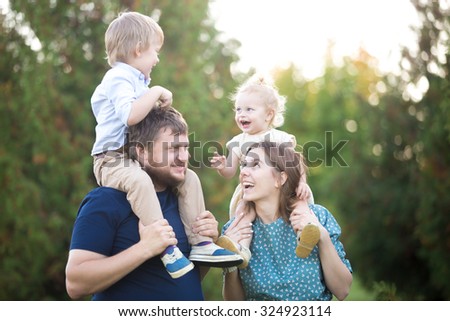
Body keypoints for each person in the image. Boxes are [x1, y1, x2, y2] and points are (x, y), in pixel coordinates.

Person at [90, 11, 238, 279]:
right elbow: (130, 116)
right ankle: (166, 247)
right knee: (140, 182)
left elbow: (145, 124)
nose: (157, 58)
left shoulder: (135, 81)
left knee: (189, 178)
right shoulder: (118, 78)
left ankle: (201, 243)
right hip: (110, 159)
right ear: (137, 50)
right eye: (154, 52)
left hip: (132, 157)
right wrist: (156, 91)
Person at [66, 106, 243, 300]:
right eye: (173, 149)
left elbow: (187, 278)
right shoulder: (106, 200)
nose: (184, 157)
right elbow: (76, 284)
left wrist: (208, 242)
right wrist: (145, 249)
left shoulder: (183, 202)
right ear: (141, 151)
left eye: (185, 147)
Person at [221, 141, 353, 301]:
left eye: (255, 165)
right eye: (243, 165)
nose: (243, 172)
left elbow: (343, 290)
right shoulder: (235, 229)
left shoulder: (316, 217)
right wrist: (231, 264)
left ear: (280, 179)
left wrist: (322, 236)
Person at [211, 74, 319, 268]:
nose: (241, 114)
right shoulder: (239, 141)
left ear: (269, 114)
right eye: (238, 109)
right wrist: (222, 167)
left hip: (284, 187)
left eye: (249, 109)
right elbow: (230, 172)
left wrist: (302, 182)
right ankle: (240, 249)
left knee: (299, 201)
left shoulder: (277, 137)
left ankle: (305, 233)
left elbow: (295, 161)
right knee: (242, 212)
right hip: (251, 190)